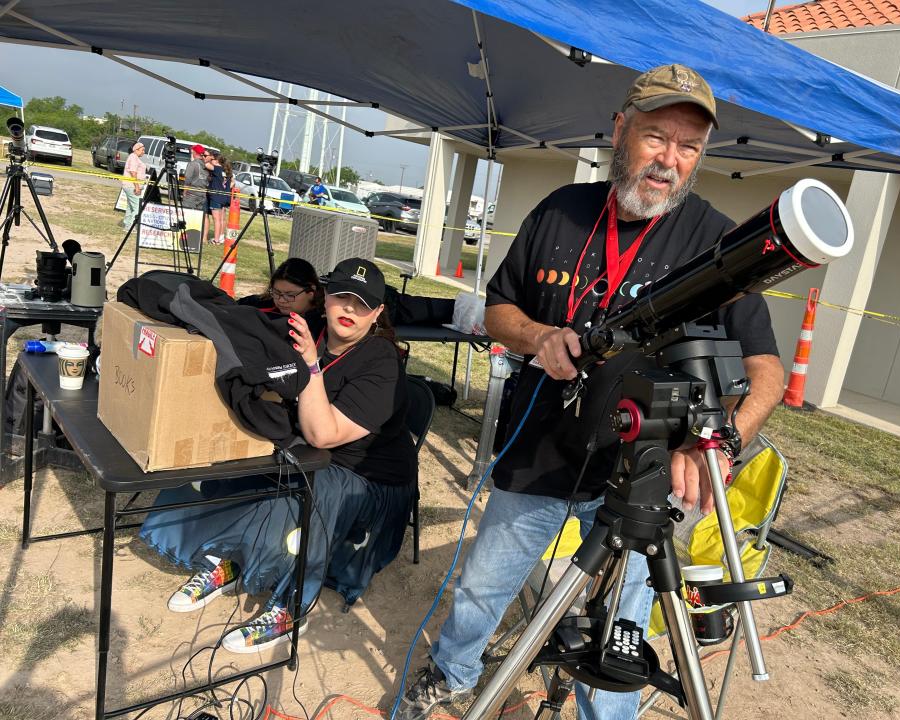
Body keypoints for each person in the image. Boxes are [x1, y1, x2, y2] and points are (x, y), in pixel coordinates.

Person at [396, 64, 784, 720]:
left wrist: (722, 445)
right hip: (541, 457)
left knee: (621, 627)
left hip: (641, 481)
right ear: (620, 130)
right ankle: (454, 671)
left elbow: (767, 371)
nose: (670, 160)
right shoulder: (559, 211)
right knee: (484, 588)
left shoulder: (719, 242)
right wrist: (538, 336)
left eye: (689, 147)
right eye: (657, 137)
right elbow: (497, 311)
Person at [139, 258, 418, 654]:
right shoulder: (314, 330)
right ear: (325, 299)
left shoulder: (382, 361)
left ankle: (290, 609)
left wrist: (308, 368)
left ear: (376, 314)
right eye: (342, 298)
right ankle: (230, 559)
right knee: (235, 456)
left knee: (304, 490)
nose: (349, 310)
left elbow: (323, 434)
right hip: (311, 453)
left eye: (362, 304)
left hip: (366, 481)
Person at [237, 256, 326, 338]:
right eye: (276, 292)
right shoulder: (261, 304)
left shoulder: (323, 324)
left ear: (311, 292)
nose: (281, 300)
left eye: (290, 295)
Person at [120, 141, 147, 230]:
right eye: (142, 150)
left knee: (130, 206)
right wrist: (137, 187)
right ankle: (130, 227)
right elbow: (133, 172)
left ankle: (126, 223)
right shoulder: (133, 158)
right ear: (136, 150)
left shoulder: (134, 157)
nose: (143, 152)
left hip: (130, 185)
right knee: (137, 208)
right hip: (132, 186)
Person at [207, 151, 231, 244]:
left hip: (216, 197)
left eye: (212, 159)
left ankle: (216, 240)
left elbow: (206, 164)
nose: (211, 160)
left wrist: (208, 158)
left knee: (216, 219)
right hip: (224, 197)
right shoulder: (226, 170)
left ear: (216, 161)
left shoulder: (217, 168)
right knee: (221, 219)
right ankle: (220, 237)